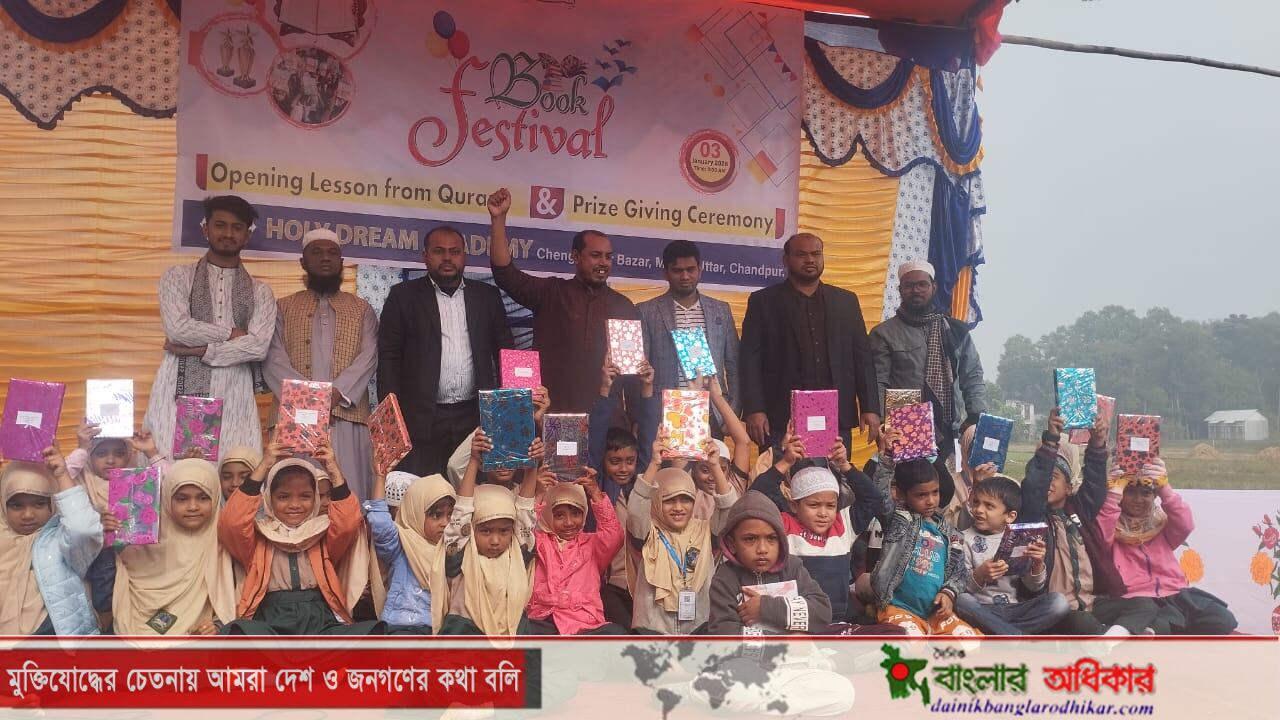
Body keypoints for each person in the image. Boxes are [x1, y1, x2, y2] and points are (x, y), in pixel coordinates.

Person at [144, 195, 276, 462]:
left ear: (247, 235)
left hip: (235, 390)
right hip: (179, 382)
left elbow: (258, 347)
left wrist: (199, 350)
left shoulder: (260, 292)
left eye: (237, 227)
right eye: (220, 225)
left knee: (235, 465)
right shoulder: (177, 277)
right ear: (206, 229)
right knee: (173, 466)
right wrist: (230, 333)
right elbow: (178, 329)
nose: (228, 234)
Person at [486, 187, 640, 412]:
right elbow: (506, 275)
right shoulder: (551, 292)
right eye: (595, 255)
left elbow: (633, 376)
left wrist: (636, 422)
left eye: (608, 257)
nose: (603, 263)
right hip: (554, 416)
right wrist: (498, 219)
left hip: (607, 421)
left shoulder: (624, 306)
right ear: (575, 256)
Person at [378, 224, 514, 476]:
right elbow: (389, 357)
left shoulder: (487, 297)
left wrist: (509, 413)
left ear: (465, 256)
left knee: (471, 489)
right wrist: (391, 417)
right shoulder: (403, 296)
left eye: (455, 251)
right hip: (421, 418)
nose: (448, 258)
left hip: (476, 416)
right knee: (423, 490)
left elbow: (506, 354)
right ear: (425, 256)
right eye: (439, 251)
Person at [217, 440, 383, 635]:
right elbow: (232, 523)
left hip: (320, 620)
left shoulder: (323, 534)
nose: (294, 505)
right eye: (283, 497)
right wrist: (264, 465)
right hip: (270, 620)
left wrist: (333, 470)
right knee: (236, 632)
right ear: (269, 498)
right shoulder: (259, 536)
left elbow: (348, 523)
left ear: (315, 498)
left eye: (305, 496)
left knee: (374, 633)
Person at [265, 228, 378, 500]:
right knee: (294, 494)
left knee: (349, 494)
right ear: (303, 262)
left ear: (342, 261)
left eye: (332, 253)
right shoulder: (282, 307)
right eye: (316, 252)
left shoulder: (362, 309)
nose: (325, 258)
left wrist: (336, 394)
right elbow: (272, 358)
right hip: (293, 416)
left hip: (347, 415)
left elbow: (369, 356)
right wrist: (309, 400)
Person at [740, 233, 880, 451]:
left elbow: (862, 357)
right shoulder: (763, 302)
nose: (810, 260)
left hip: (835, 415)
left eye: (816, 254)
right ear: (786, 260)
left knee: (835, 472)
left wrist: (870, 407)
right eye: (801, 255)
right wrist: (754, 409)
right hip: (780, 417)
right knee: (780, 472)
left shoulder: (846, 301)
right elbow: (750, 359)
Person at [750, 431, 892, 624]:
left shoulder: (843, 524)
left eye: (830, 505)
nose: (823, 513)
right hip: (795, 621)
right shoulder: (784, 524)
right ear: (794, 505)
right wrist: (785, 461)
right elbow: (756, 496)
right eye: (814, 505)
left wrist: (845, 466)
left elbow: (873, 499)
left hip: (837, 621)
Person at [1019, 409, 1133, 635]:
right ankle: (1112, 636)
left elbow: (1095, 485)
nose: (1046, 483)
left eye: (1053, 477)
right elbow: (1034, 489)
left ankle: (1111, 636)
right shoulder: (1033, 518)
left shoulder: (1080, 511)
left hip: (1091, 603)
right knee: (1084, 624)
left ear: (1069, 487)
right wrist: (1051, 439)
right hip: (1058, 610)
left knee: (1142, 605)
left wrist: (1098, 443)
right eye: (1043, 478)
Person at [1097, 459, 1237, 635]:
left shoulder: (1161, 523)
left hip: (1174, 593)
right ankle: (1159, 628)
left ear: (1154, 496)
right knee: (1158, 621)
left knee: (1223, 619)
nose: (1138, 500)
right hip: (1136, 600)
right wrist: (1113, 494)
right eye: (1130, 492)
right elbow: (1100, 536)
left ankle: (1163, 627)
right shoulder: (1109, 523)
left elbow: (1185, 525)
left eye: (1146, 493)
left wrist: (1164, 488)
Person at [869, 260, 986, 459]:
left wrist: (975, 415)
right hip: (906, 428)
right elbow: (878, 382)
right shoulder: (883, 334)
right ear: (900, 289)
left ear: (934, 287)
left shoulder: (956, 330)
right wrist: (882, 423)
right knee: (913, 480)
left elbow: (972, 375)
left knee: (950, 479)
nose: (916, 290)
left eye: (922, 284)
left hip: (951, 428)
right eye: (909, 285)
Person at [111, 458, 237, 635]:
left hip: (196, 633)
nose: (193, 507)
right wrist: (109, 531)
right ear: (166, 499)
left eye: (203, 498)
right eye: (182, 499)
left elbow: (232, 592)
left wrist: (217, 623)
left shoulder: (222, 541)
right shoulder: (143, 542)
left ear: (215, 498)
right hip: (137, 628)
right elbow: (123, 576)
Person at [439, 433, 541, 635]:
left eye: (504, 531)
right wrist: (474, 460)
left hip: (511, 636)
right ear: (471, 527)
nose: (495, 541)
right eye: (485, 530)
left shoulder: (517, 554)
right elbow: (463, 510)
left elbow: (525, 511)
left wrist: (532, 464)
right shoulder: (460, 556)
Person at [871, 457, 979, 636]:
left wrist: (949, 593)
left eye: (935, 492)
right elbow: (880, 496)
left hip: (936, 614)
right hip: (898, 609)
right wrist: (887, 458)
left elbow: (959, 573)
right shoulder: (897, 520)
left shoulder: (950, 533)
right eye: (921, 495)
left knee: (970, 643)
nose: (931, 501)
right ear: (901, 494)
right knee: (908, 641)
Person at [0, 447, 103, 635]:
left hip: (55, 641)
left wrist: (62, 476)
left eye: (39, 503)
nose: (28, 515)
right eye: (16, 505)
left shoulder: (60, 540)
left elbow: (83, 529)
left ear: (52, 503)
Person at [628, 465, 739, 634]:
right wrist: (655, 463)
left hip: (699, 630)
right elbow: (637, 508)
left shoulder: (706, 532)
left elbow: (728, 508)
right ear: (656, 501)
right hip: (652, 632)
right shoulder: (647, 532)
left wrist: (714, 465)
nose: (678, 508)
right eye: (669, 500)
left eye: (686, 500)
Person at [637, 240, 740, 423]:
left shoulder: (721, 310)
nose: (685, 276)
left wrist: (731, 413)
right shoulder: (646, 311)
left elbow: (734, 366)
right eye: (677, 270)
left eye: (690, 269)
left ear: (700, 270)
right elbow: (640, 369)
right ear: (665, 273)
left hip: (712, 411)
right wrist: (643, 417)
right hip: (666, 413)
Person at [954, 475, 1069, 635]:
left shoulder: (1020, 539)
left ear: (1010, 516)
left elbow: (1034, 587)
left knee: (1059, 603)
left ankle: (1003, 633)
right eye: (976, 502)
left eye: (989, 506)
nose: (979, 510)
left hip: (1014, 609)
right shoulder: (962, 538)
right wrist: (980, 575)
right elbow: (959, 587)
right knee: (961, 601)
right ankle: (1014, 635)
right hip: (981, 610)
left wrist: (1037, 564)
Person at [707, 490, 832, 635]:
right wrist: (784, 641)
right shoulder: (725, 578)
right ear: (732, 543)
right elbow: (722, 632)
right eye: (750, 539)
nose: (762, 549)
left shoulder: (793, 568)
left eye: (771, 538)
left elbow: (822, 613)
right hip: (769, 650)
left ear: (781, 540)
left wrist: (766, 608)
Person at [527, 469, 627, 635]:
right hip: (542, 620)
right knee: (521, 631)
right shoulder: (538, 542)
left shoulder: (593, 545)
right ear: (547, 515)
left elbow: (614, 535)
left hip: (585, 624)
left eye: (576, 514)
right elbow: (522, 533)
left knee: (616, 633)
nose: (569, 522)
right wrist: (538, 494)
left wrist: (594, 492)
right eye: (559, 515)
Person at [363, 471, 458, 634]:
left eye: (450, 515)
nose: (445, 523)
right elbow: (380, 523)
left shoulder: (450, 548)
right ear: (416, 512)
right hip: (400, 626)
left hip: (436, 629)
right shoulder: (403, 544)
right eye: (437, 515)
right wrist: (379, 476)